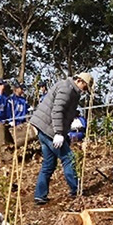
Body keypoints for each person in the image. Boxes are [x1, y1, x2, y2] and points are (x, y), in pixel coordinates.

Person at [30, 73, 94, 205]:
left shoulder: (71, 90)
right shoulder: (67, 89)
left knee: (49, 163)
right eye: (85, 87)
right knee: (68, 158)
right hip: (49, 129)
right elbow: (57, 111)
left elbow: (66, 115)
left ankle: (40, 195)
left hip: (44, 128)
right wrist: (58, 133)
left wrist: (63, 135)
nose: (84, 90)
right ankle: (76, 190)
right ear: (80, 81)